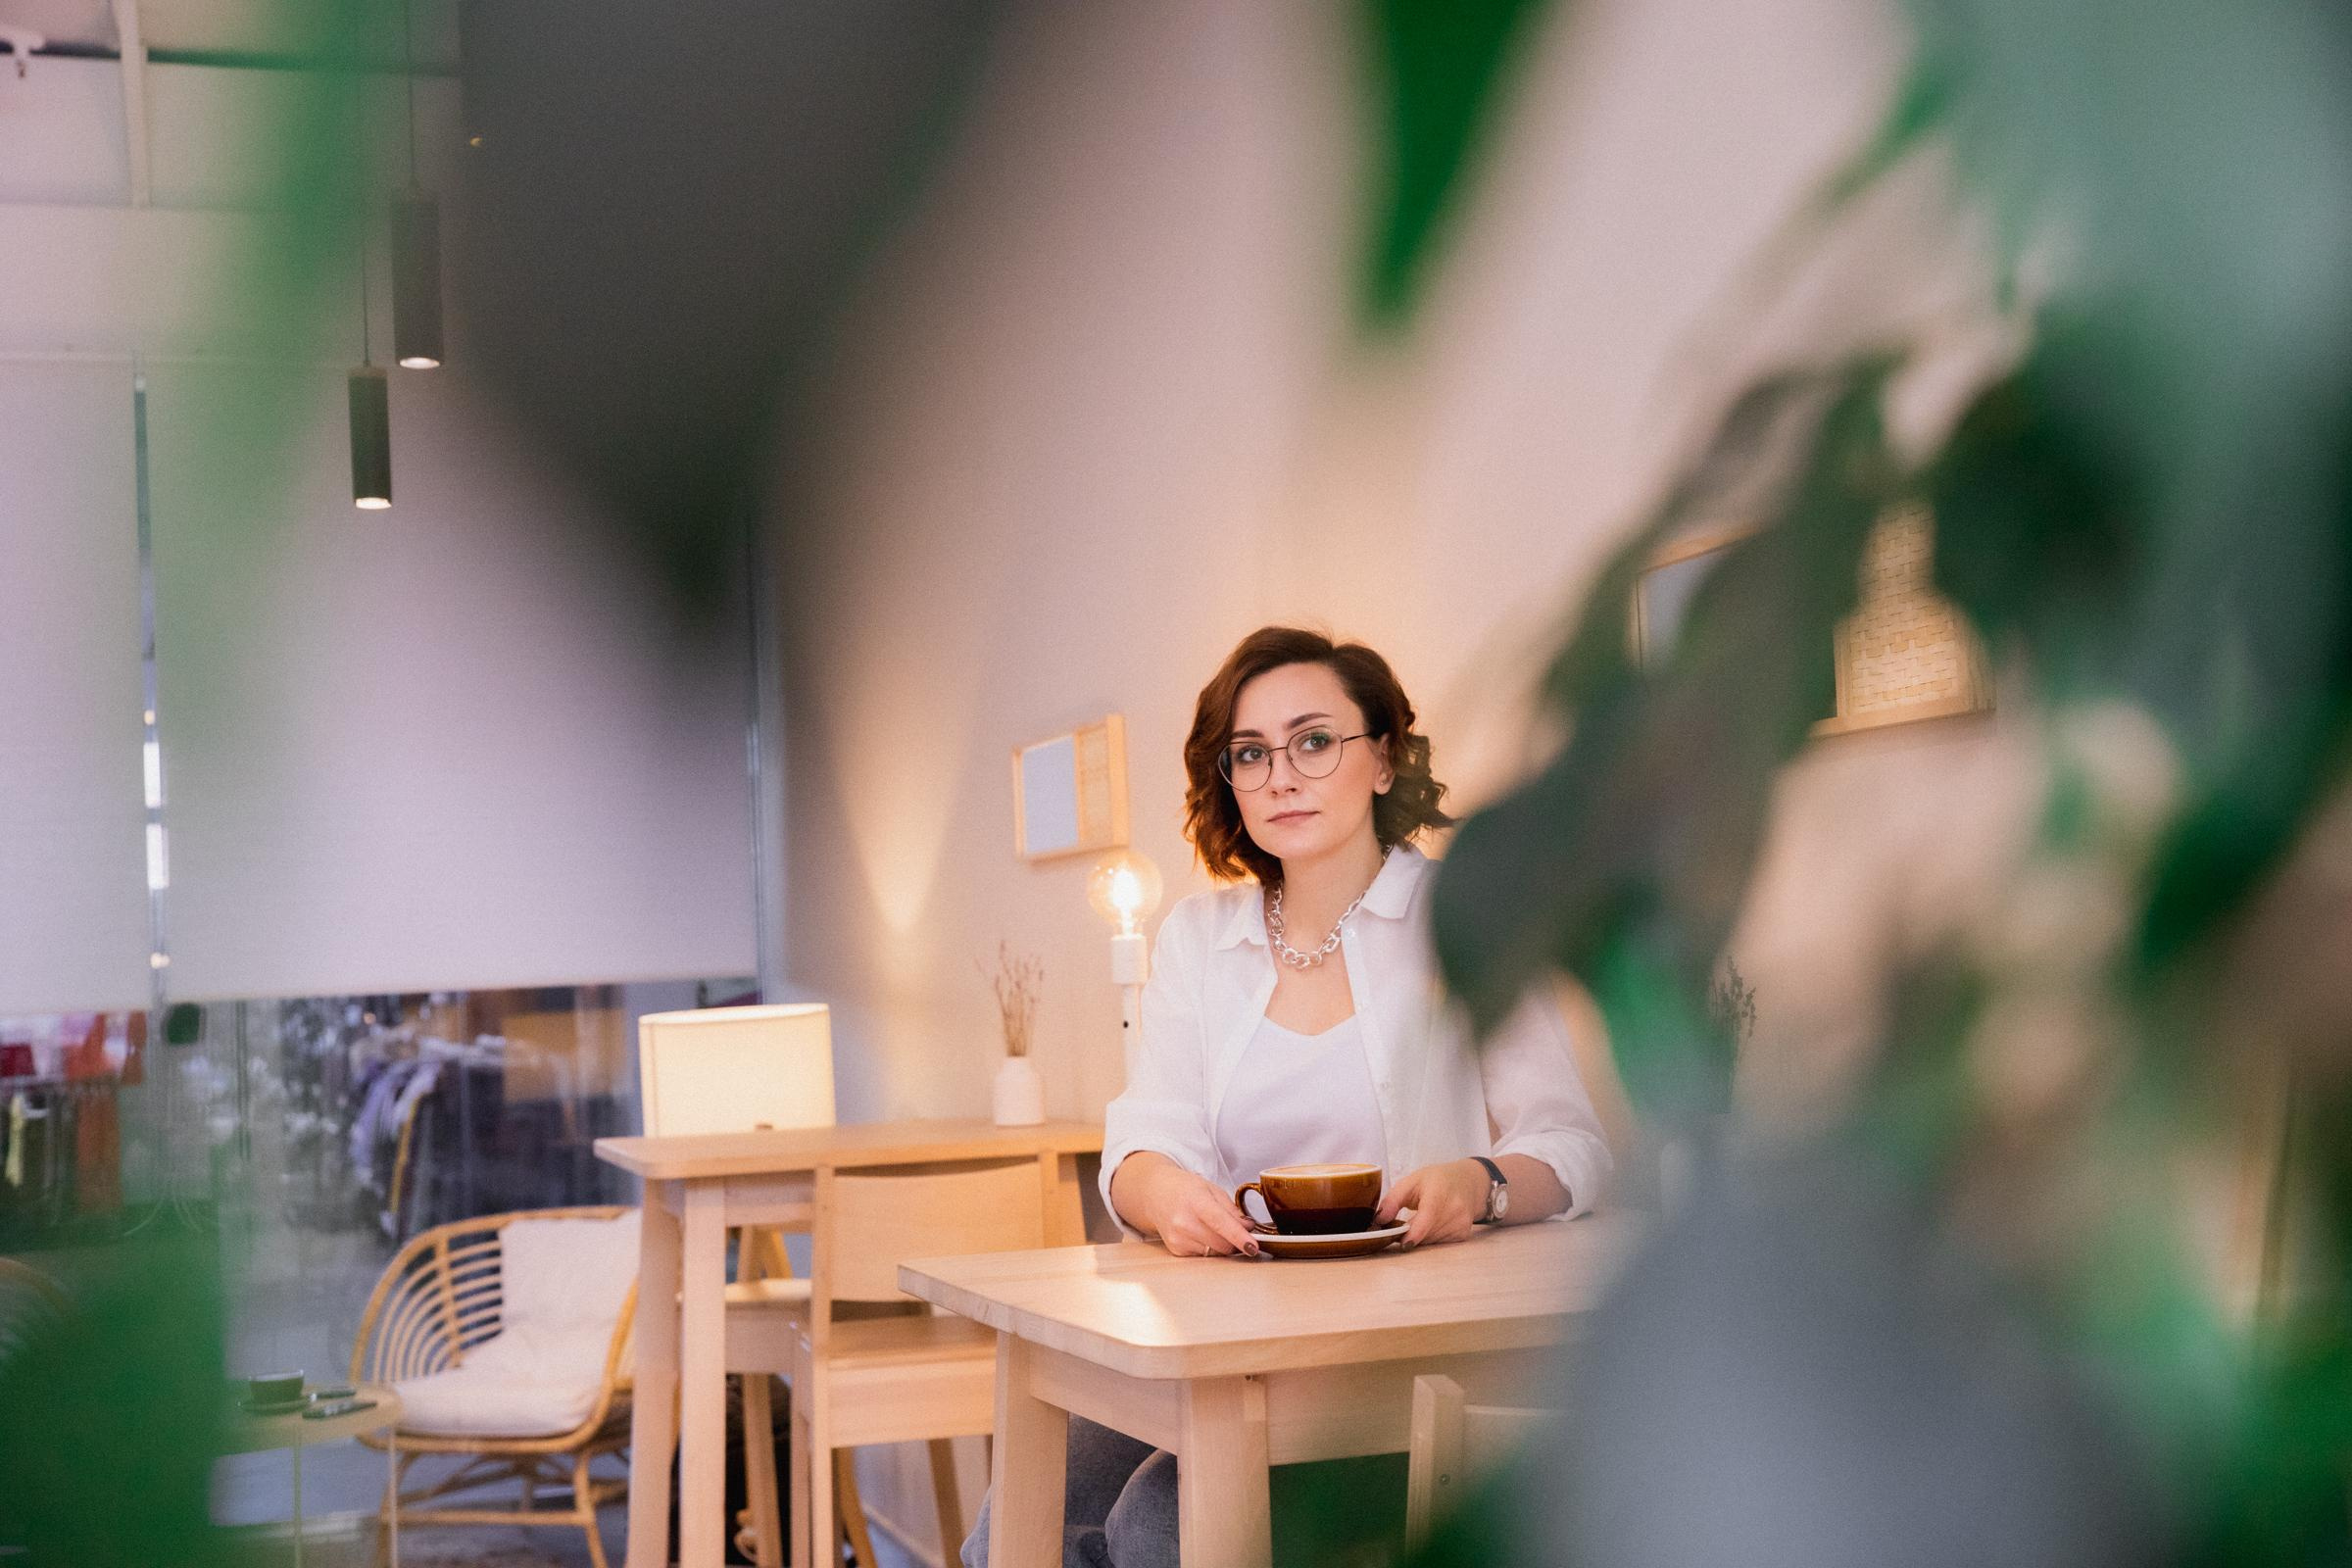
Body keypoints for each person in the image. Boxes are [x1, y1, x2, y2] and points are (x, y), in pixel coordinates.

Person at [962, 625, 1611, 1568]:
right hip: (1226, 1345)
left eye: (1314, 742)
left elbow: (1573, 1145)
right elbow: (1140, 1145)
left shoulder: (1469, 915)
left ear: (1383, 758)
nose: (1281, 778)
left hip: (1404, 1359)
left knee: (1155, 1526)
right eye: (1251, 754)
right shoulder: (1198, 939)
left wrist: (1479, 1183)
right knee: (1020, 1518)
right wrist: (1167, 1197)